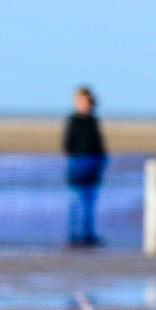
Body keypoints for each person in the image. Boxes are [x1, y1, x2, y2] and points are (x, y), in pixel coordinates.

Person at [62, 86, 107, 247]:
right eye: (83, 101)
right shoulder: (73, 120)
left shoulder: (93, 120)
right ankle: (75, 237)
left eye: (88, 101)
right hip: (78, 164)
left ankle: (87, 236)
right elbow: (68, 144)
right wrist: (77, 158)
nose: (86, 105)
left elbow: (99, 143)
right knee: (76, 201)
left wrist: (101, 159)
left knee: (89, 203)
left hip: (94, 164)